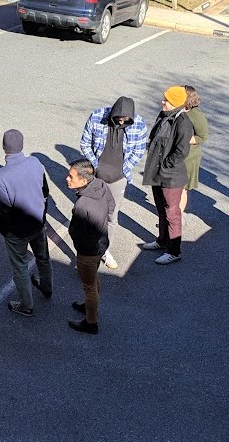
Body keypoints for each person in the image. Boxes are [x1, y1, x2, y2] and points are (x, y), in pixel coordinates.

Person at [79, 96, 148, 269]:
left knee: (111, 217)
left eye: (126, 119)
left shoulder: (139, 124)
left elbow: (139, 150)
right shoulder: (97, 116)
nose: (122, 120)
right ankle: (86, 255)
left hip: (118, 179)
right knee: (88, 216)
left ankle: (104, 251)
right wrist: (95, 165)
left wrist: (124, 170)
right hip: (95, 178)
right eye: (119, 117)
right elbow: (85, 142)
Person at [0, 129, 52, 317]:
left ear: (4, 148)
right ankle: (47, 287)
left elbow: (4, 209)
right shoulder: (35, 163)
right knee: (43, 257)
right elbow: (45, 191)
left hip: (16, 231)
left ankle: (26, 305)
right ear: (22, 145)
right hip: (37, 222)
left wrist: (5, 231)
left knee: (20, 266)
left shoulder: (1, 176)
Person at [141, 86, 194, 265]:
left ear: (177, 103)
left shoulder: (183, 122)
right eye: (164, 98)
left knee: (172, 213)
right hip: (158, 172)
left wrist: (165, 165)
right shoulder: (164, 115)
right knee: (161, 209)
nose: (163, 102)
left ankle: (174, 250)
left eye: (167, 100)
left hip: (170, 176)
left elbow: (181, 151)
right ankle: (162, 240)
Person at [65, 159, 114, 335]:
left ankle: (91, 321)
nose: (67, 179)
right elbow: (112, 207)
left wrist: (79, 245)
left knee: (89, 286)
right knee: (93, 279)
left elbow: (75, 231)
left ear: (84, 181)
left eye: (71, 176)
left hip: (88, 250)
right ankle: (88, 306)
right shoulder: (100, 184)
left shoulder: (82, 204)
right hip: (101, 243)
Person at [181, 86, 209, 212]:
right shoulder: (177, 111)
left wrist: (182, 139)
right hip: (175, 156)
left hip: (188, 158)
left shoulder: (196, 115)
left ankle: (177, 216)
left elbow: (202, 137)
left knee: (181, 189)